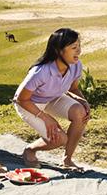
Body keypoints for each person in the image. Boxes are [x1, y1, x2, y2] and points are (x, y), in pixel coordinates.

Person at [14, 28, 90, 170]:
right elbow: (21, 99)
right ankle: (30, 150)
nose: (79, 51)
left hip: (53, 98)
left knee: (81, 112)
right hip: (29, 104)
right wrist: (46, 118)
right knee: (60, 139)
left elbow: (73, 89)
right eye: (74, 47)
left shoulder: (76, 65)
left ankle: (67, 160)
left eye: (79, 47)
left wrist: (84, 102)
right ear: (58, 50)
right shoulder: (40, 72)